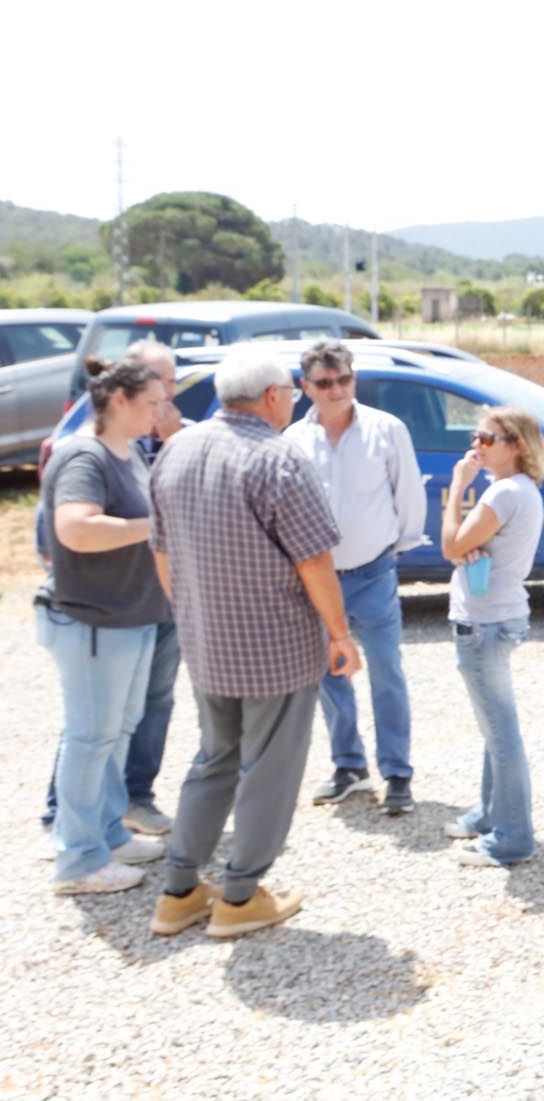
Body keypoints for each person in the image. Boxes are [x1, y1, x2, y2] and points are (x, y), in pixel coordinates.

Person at [147, 352, 361, 939]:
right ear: (271, 395)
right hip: (274, 647)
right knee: (269, 767)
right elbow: (314, 559)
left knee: (213, 757)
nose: (293, 397)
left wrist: (189, 617)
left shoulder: (178, 451)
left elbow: (161, 553)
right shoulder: (277, 457)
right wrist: (340, 634)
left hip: (207, 642)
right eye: (289, 390)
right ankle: (240, 896)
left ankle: (179, 891)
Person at [37, 342, 186, 849]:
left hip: (130, 618)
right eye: (152, 400)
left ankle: (109, 834)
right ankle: (78, 856)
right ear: (119, 401)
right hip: (96, 621)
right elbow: (76, 530)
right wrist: (154, 526)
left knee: (115, 734)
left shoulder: (126, 453)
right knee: (91, 738)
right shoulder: (84, 454)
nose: (161, 409)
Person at [283, 340, 428, 814]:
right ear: (305, 387)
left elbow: (408, 497)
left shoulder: (387, 431)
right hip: (317, 578)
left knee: (387, 673)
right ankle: (348, 766)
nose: (336, 389)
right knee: (329, 675)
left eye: (343, 379)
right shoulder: (292, 441)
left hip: (373, 572)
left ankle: (397, 773)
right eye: (324, 383)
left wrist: (394, 551)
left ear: (353, 377)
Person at [439, 405, 544, 868]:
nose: (476, 445)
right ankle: (490, 814)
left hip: (484, 622)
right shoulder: (522, 490)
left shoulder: (502, 494)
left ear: (516, 446)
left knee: (501, 734)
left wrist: (458, 487)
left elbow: (450, 547)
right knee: (493, 726)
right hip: (499, 617)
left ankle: (512, 837)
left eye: (488, 439)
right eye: (476, 437)